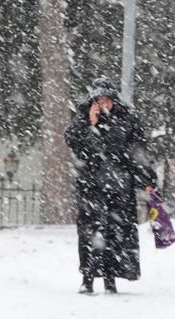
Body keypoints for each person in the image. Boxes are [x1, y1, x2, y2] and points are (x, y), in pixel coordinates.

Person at [65, 78, 157, 294]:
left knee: (117, 233)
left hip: (120, 186)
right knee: (91, 232)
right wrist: (90, 123)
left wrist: (147, 180)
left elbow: (138, 152)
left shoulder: (127, 119)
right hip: (91, 187)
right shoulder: (84, 119)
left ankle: (111, 278)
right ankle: (88, 278)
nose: (104, 103)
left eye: (107, 99)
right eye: (99, 100)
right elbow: (73, 142)